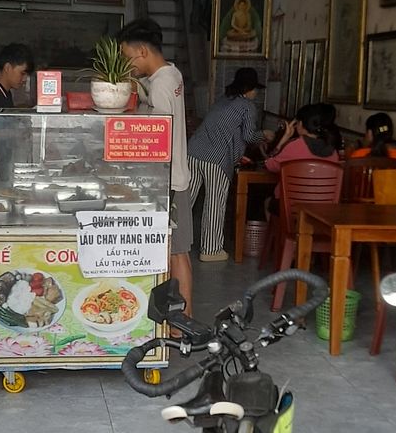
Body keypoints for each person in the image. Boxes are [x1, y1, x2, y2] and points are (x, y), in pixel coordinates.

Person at [118, 18, 193, 316]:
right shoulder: (171, 73)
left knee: (177, 254)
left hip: (169, 182)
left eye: (128, 58)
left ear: (142, 51)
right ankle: (183, 321)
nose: (128, 65)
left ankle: (184, 323)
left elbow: (156, 137)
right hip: (176, 176)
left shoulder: (161, 84)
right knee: (178, 252)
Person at [187, 67, 268, 262]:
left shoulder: (223, 99)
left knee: (185, 201)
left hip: (193, 152)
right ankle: (211, 249)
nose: (256, 93)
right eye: (255, 89)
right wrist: (265, 134)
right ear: (249, 89)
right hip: (217, 158)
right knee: (215, 203)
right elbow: (249, 136)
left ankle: (171, 242)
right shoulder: (247, 106)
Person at [265, 104, 340, 173]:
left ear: (300, 124)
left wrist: (284, 138)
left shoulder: (294, 146)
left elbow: (270, 166)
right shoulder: (333, 152)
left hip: (293, 184)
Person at [350, 112, 396, 186]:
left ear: (370, 133)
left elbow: (351, 183)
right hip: (390, 194)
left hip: (362, 194)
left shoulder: (358, 155)